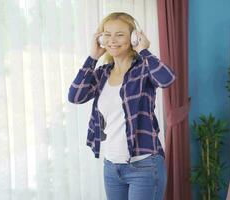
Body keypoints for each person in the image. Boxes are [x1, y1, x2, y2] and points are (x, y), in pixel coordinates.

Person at [68, 12, 175, 200]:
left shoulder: (143, 69)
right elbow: (75, 96)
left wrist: (144, 51)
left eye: (120, 34)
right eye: (107, 34)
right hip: (111, 166)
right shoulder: (102, 74)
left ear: (134, 38)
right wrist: (92, 57)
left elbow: (167, 79)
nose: (112, 40)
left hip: (144, 165)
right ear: (100, 38)